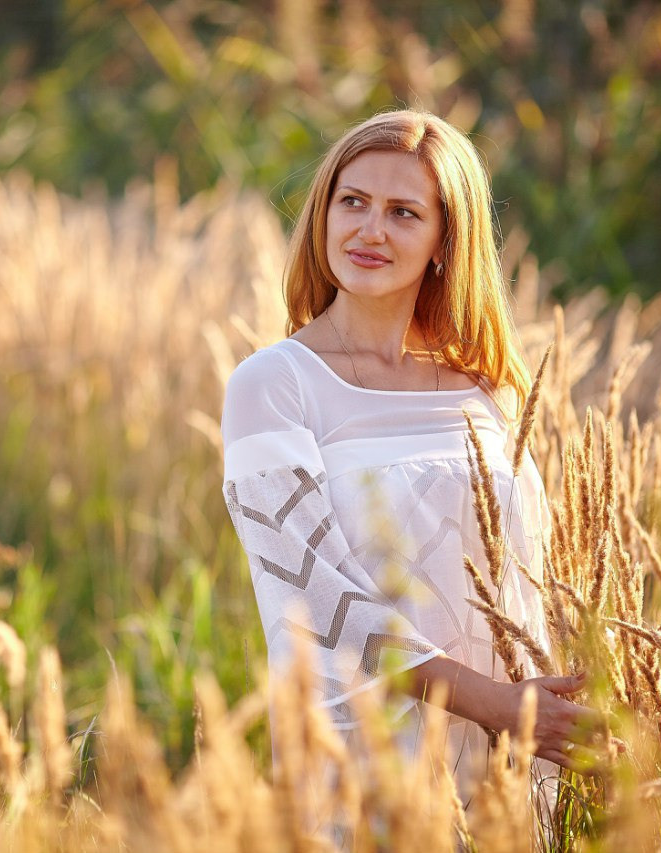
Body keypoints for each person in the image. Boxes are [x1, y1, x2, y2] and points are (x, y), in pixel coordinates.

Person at [219, 109, 598, 809]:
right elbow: (317, 598)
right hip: (362, 756)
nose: (370, 230)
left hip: (507, 758)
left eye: (403, 212)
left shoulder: (484, 389)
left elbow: (534, 576)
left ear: (444, 241)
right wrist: (493, 703)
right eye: (353, 201)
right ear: (323, 214)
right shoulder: (275, 385)